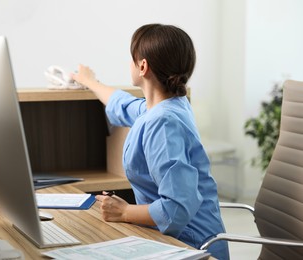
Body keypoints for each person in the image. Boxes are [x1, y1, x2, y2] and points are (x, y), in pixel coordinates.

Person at [72, 23, 229, 259]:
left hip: (191, 247)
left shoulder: (163, 123)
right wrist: (91, 81)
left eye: (131, 57)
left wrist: (124, 211)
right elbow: (122, 104)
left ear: (142, 66)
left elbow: (176, 209)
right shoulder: (166, 107)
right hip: (170, 240)